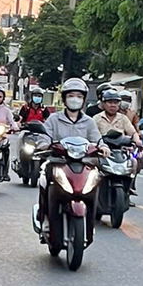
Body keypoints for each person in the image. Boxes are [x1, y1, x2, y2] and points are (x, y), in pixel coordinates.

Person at [36, 78, 102, 224]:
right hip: (58, 162)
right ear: (64, 98)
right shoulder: (54, 119)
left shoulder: (89, 121)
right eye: (71, 96)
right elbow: (44, 136)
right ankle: (43, 215)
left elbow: (97, 139)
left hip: (83, 164)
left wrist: (103, 147)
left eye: (79, 96)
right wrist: (44, 144)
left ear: (84, 100)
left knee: (96, 179)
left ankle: (91, 220)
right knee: (44, 178)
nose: (75, 99)